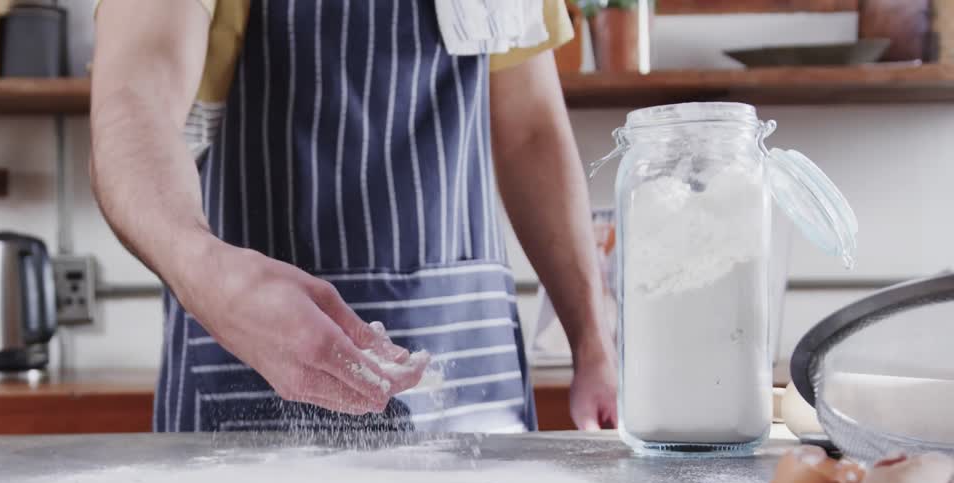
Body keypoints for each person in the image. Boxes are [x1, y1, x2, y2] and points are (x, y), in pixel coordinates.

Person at [89, 0, 617, 434]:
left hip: (470, 380)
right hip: (251, 374)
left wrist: (594, 345)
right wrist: (201, 268)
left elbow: (532, 131)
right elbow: (133, 108)